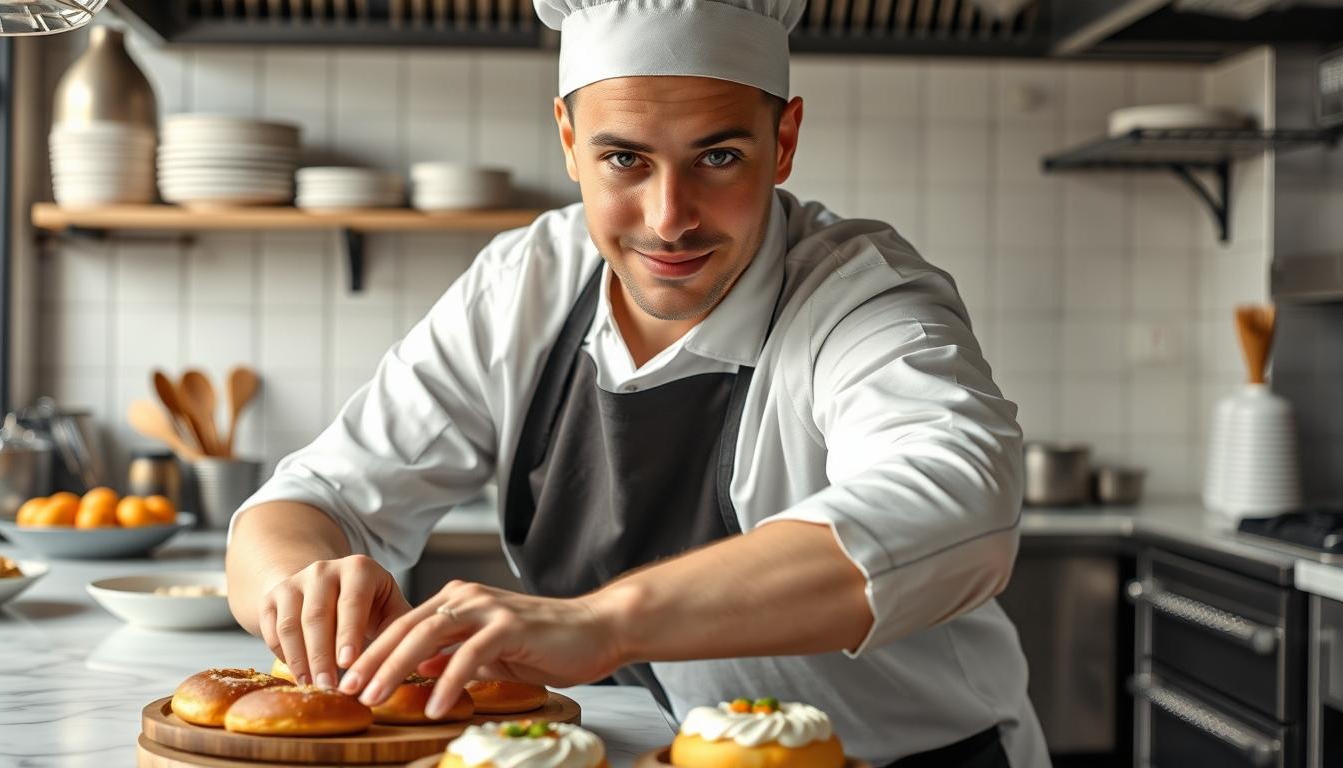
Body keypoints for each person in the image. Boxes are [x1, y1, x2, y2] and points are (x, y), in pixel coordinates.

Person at [224, 0, 1050, 764]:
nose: (669, 218)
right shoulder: (525, 283)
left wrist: (602, 624)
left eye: (719, 157)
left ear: (785, 140)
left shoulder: (859, 298)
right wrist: (305, 586)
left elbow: (961, 497)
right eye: (624, 158)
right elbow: (312, 500)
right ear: (567, 138)